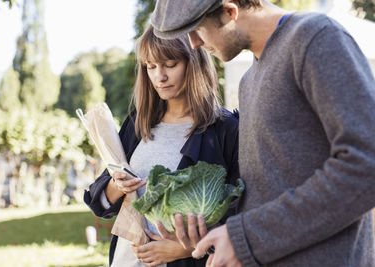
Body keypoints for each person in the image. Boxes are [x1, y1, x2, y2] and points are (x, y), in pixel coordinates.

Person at [151, 0, 375, 266]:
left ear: (229, 11)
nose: (193, 44)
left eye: (197, 30)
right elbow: (267, 190)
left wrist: (246, 236)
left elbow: (366, 165)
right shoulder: (249, 80)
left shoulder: (315, 38)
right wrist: (217, 234)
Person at [83, 24, 240, 267]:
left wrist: (185, 250)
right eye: (151, 67)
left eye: (170, 64)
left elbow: (241, 213)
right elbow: (100, 204)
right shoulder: (139, 123)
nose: (159, 76)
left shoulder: (225, 130)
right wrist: (117, 186)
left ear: (194, 63)